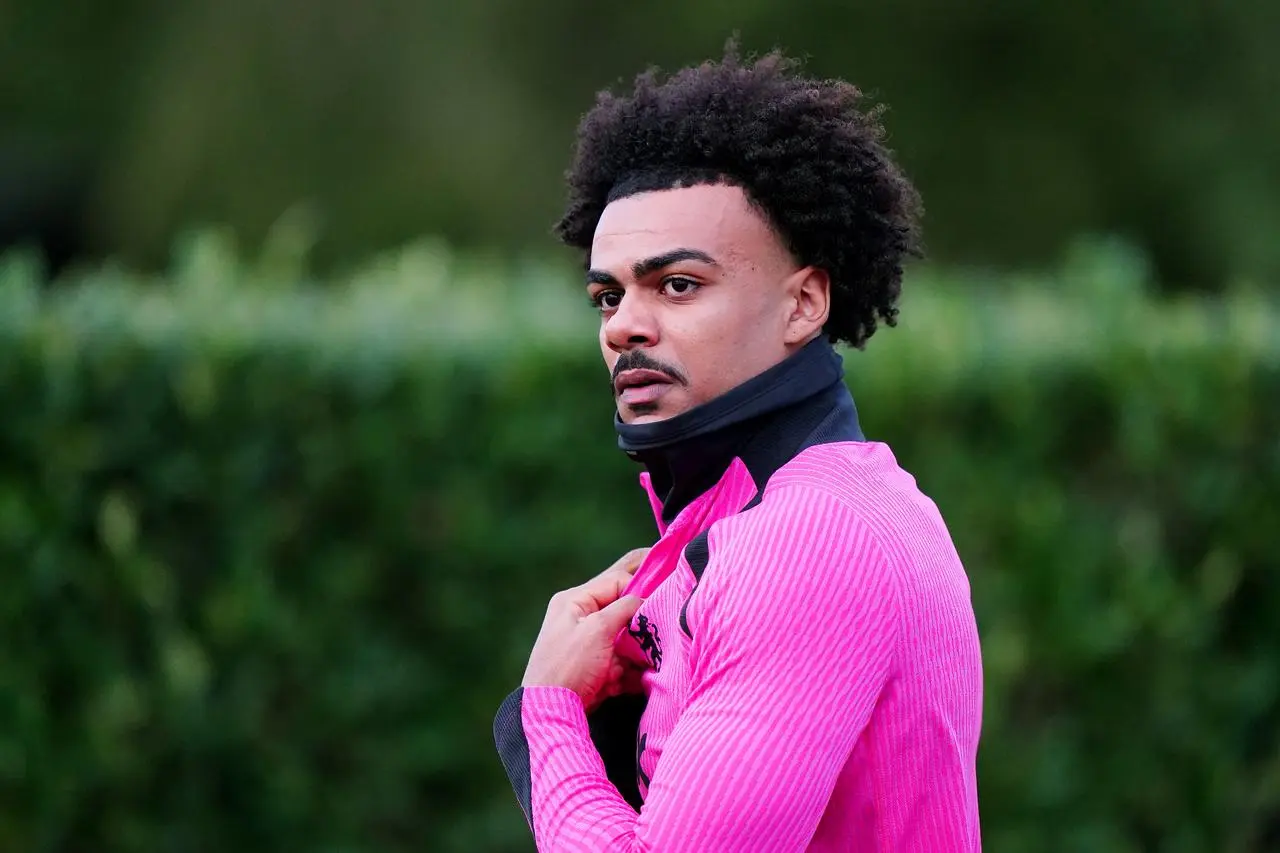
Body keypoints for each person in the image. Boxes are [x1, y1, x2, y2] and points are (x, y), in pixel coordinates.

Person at [493, 41, 983, 851]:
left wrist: (544, 713)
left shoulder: (812, 541)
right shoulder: (749, 519)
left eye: (677, 284)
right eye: (606, 295)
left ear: (805, 303)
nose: (623, 324)